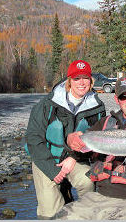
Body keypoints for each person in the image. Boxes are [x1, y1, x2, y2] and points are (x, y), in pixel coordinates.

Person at [54, 76, 126, 220]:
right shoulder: (105, 123)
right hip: (102, 195)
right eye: (122, 96)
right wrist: (70, 142)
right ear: (116, 100)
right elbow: (81, 147)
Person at [26, 60, 106, 219]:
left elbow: (95, 142)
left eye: (85, 78)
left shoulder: (97, 107)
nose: (81, 83)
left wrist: (73, 158)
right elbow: (33, 139)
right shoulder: (47, 104)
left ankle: (85, 215)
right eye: (77, 79)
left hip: (75, 159)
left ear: (91, 81)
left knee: (87, 182)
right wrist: (52, 170)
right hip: (47, 159)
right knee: (50, 214)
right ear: (69, 81)